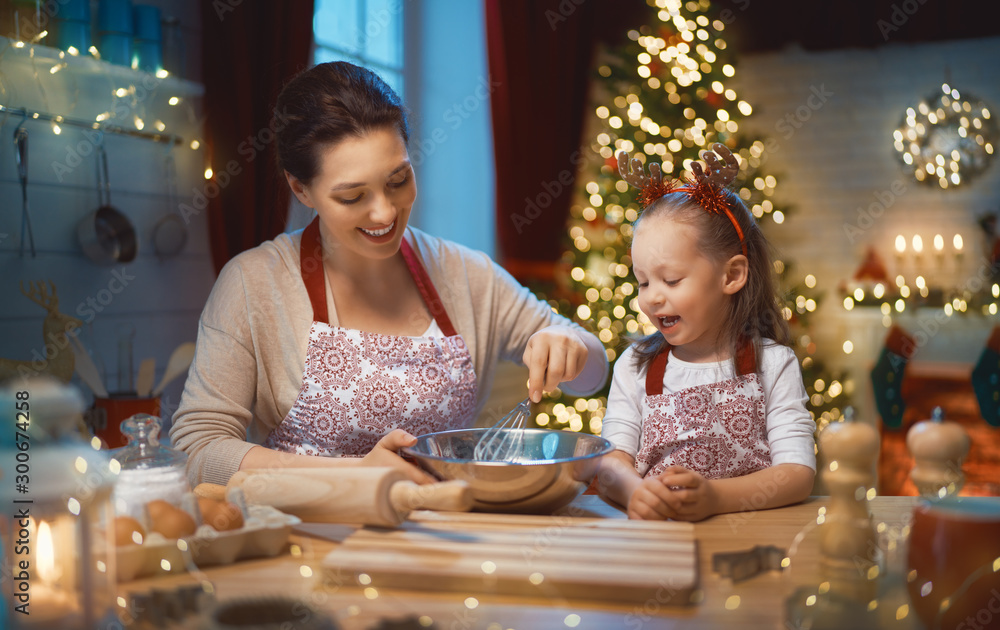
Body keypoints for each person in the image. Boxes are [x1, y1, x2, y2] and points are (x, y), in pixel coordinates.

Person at [169, 62, 608, 486]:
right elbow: (198, 450)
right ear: (301, 188)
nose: (384, 212)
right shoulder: (254, 283)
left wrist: (571, 347)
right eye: (352, 196)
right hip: (314, 547)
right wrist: (355, 477)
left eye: (398, 181)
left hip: (450, 534)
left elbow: (593, 374)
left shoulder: (463, 272)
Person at [597, 144, 816, 521]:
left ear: (731, 275)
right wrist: (636, 492)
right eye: (644, 282)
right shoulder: (635, 366)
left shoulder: (774, 364)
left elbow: (797, 474)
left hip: (748, 549)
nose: (653, 298)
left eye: (671, 279)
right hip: (660, 545)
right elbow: (610, 462)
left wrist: (715, 498)